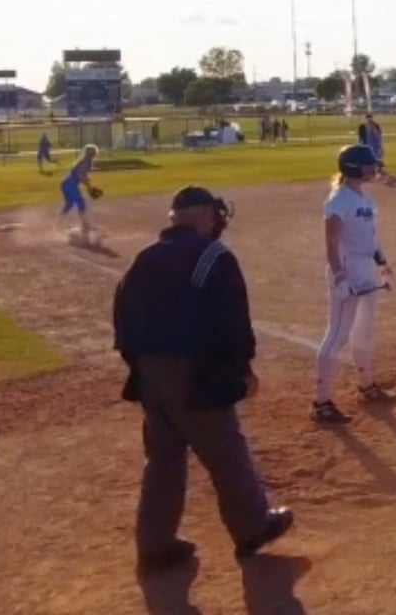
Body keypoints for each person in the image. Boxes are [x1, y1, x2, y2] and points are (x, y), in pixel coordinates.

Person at [113, 186, 293, 573]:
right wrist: (243, 370)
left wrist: (140, 366)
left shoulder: (145, 257)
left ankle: (155, 545)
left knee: (163, 459)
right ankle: (253, 528)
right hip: (193, 373)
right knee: (226, 453)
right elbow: (234, 324)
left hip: (149, 374)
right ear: (206, 216)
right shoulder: (214, 256)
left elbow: (122, 317)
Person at [312, 144, 393, 424]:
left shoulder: (366, 198)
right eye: (369, 165)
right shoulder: (339, 201)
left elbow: (372, 238)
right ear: (354, 168)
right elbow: (331, 244)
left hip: (366, 268)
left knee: (364, 332)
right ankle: (321, 403)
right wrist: (339, 277)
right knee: (337, 335)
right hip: (348, 271)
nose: (374, 168)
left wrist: (383, 265)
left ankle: (367, 385)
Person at [59, 144, 101, 246]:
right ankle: (86, 225)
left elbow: (83, 175)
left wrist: (89, 185)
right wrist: (88, 186)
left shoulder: (84, 160)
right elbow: (80, 175)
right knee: (80, 202)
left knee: (69, 204)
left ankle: (59, 223)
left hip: (66, 183)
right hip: (70, 184)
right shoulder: (86, 161)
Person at [356, 114, 387, 180]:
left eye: (370, 118)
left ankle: (380, 169)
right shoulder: (362, 126)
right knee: (367, 158)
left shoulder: (376, 125)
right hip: (366, 144)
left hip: (375, 144)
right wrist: (360, 144)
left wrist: (380, 145)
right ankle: (367, 171)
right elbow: (360, 136)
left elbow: (379, 135)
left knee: (378, 157)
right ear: (366, 119)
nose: (369, 119)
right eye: (368, 118)